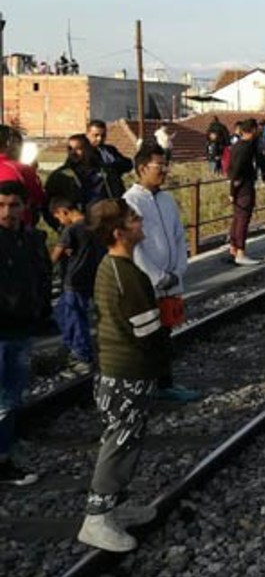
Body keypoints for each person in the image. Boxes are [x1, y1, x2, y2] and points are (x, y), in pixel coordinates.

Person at [76, 199, 167, 551]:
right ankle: (96, 518)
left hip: (118, 370)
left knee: (123, 437)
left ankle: (113, 508)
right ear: (119, 233)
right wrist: (162, 358)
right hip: (127, 371)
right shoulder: (128, 274)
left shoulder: (110, 266)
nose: (140, 220)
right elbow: (146, 331)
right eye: (133, 218)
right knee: (120, 441)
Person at [125, 144, 201, 401]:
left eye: (166, 165)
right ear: (142, 168)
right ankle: (146, 387)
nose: (165, 171)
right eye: (160, 166)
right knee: (147, 337)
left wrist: (179, 269)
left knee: (165, 335)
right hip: (148, 284)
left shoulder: (167, 200)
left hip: (171, 281)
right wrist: (157, 276)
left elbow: (179, 237)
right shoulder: (130, 202)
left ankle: (164, 384)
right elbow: (134, 248)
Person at [0, 181, 51, 487]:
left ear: (25, 207)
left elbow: (41, 276)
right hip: (2, 330)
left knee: (11, 395)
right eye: (2, 205)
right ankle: (3, 457)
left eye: (14, 205)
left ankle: (7, 446)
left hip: (22, 327)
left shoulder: (31, 239)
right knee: (3, 398)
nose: (7, 212)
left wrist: (41, 313)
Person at [49, 198, 104, 369]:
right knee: (65, 312)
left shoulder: (71, 230)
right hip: (93, 276)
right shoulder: (92, 225)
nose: (60, 221)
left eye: (58, 217)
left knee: (75, 317)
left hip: (74, 278)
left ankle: (81, 353)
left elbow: (55, 256)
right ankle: (73, 348)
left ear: (63, 211)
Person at [44, 134, 105, 229]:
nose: (73, 153)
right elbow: (47, 205)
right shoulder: (60, 176)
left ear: (88, 150)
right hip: (74, 229)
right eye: (70, 149)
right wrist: (60, 228)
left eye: (78, 149)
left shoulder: (105, 173)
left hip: (102, 228)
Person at [228, 120, 263, 265]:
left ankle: (233, 249)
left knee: (237, 218)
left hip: (238, 186)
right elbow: (237, 170)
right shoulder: (246, 148)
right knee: (243, 219)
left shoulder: (237, 145)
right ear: (253, 130)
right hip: (244, 186)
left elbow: (232, 169)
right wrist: (233, 190)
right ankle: (240, 252)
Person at [0, 125, 46, 227]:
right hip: (14, 228)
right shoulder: (20, 169)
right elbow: (38, 199)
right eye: (18, 143)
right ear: (9, 143)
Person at [86, 120, 134, 200]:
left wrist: (113, 166)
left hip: (116, 192)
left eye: (103, 136)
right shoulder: (85, 153)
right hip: (98, 196)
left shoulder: (110, 150)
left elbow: (127, 164)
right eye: (96, 135)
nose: (99, 138)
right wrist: (112, 167)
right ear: (87, 134)